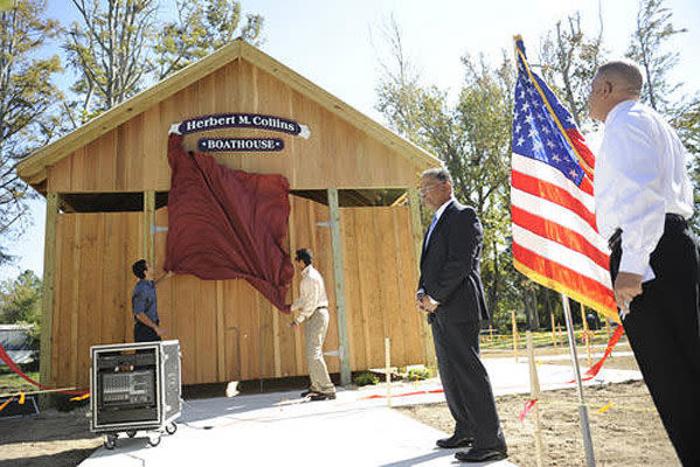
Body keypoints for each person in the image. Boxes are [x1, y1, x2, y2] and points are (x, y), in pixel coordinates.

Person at [589, 60, 700, 465]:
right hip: (667, 245)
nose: (588, 101)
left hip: (650, 251)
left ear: (606, 88)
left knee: (673, 377)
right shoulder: (654, 122)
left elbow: (642, 197)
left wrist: (632, 265)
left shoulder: (624, 122)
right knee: (688, 365)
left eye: (590, 90)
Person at [416, 168, 507, 463]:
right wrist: (422, 292)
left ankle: (489, 441)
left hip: (458, 307)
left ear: (446, 185)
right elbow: (431, 264)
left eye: (427, 188)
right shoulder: (435, 222)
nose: (423, 194)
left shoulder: (463, 215)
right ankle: (466, 428)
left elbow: (461, 262)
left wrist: (436, 296)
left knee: (468, 373)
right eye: (421, 190)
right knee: (450, 373)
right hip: (438, 309)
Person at [289, 248, 336, 401]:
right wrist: (291, 307)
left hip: (317, 314)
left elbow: (311, 303)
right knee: (312, 353)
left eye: (297, 260)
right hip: (314, 315)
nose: (296, 263)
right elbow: (304, 300)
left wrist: (298, 319)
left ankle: (327, 388)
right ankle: (316, 387)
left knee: (314, 353)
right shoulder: (308, 277)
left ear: (302, 261)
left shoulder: (310, 278)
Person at [131, 259, 171, 343]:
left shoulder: (148, 284)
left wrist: (168, 275)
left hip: (151, 328)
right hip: (144, 331)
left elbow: (155, 283)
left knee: (156, 354)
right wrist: (155, 327)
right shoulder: (141, 289)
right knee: (146, 355)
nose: (152, 267)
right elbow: (139, 314)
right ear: (145, 272)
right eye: (149, 266)